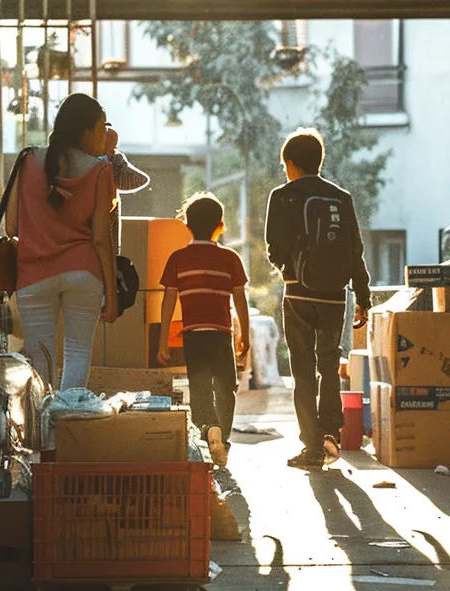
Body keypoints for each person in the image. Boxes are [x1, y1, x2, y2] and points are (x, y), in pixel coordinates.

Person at [10, 93, 149, 391]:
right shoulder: (100, 171)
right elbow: (101, 239)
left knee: (40, 361)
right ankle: (68, 420)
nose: (105, 136)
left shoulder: (27, 160)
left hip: (33, 275)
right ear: (85, 131)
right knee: (77, 353)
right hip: (83, 273)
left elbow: (11, 226)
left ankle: (41, 428)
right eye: (102, 128)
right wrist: (111, 296)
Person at [265, 128, 372, 470]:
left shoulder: (282, 196)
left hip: (298, 292)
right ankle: (331, 433)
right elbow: (355, 249)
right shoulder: (341, 197)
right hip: (334, 296)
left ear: (291, 164)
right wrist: (364, 296)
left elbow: (274, 247)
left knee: (303, 371)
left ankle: (311, 445)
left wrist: (287, 266)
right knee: (328, 363)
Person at [156, 193, 249, 468]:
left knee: (199, 389)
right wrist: (245, 334)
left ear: (186, 225)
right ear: (221, 225)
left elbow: (168, 301)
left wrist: (163, 341)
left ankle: (207, 432)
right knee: (225, 389)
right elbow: (240, 300)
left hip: (194, 335)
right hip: (221, 334)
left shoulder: (177, 258)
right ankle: (224, 440)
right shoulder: (230, 258)